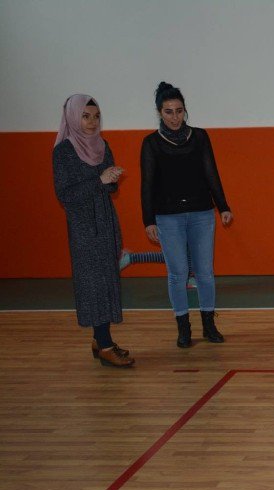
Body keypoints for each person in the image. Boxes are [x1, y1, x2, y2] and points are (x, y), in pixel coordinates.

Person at [141, 81, 232, 348]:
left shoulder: (200, 137)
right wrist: (148, 220)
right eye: (168, 112)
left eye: (179, 110)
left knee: (205, 272)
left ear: (185, 111)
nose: (175, 116)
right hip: (168, 217)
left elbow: (211, 172)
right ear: (160, 113)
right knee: (178, 273)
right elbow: (147, 184)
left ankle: (209, 324)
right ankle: (183, 327)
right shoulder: (151, 144)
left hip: (202, 213)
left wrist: (223, 206)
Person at [52, 94, 133, 368]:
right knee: (94, 285)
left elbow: (110, 189)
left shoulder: (102, 144)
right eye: (86, 116)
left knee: (107, 283)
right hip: (84, 228)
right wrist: (99, 180)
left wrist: (112, 180)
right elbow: (65, 194)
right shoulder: (63, 151)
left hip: (107, 222)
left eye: (96, 116)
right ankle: (106, 345)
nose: (91, 122)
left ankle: (101, 340)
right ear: (73, 117)